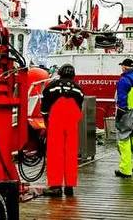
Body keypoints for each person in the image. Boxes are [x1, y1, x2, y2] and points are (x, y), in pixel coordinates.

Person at [40, 64, 84, 197]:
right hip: (72, 122)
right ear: (73, 75)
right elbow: (79, 107)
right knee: (71, 153)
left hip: (56, 120)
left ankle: (56, 186)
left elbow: (44, 107)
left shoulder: (52, 86)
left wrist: (46, 120)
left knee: (55, 153)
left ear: (60, 73)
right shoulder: (78, 89)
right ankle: (70, 186)